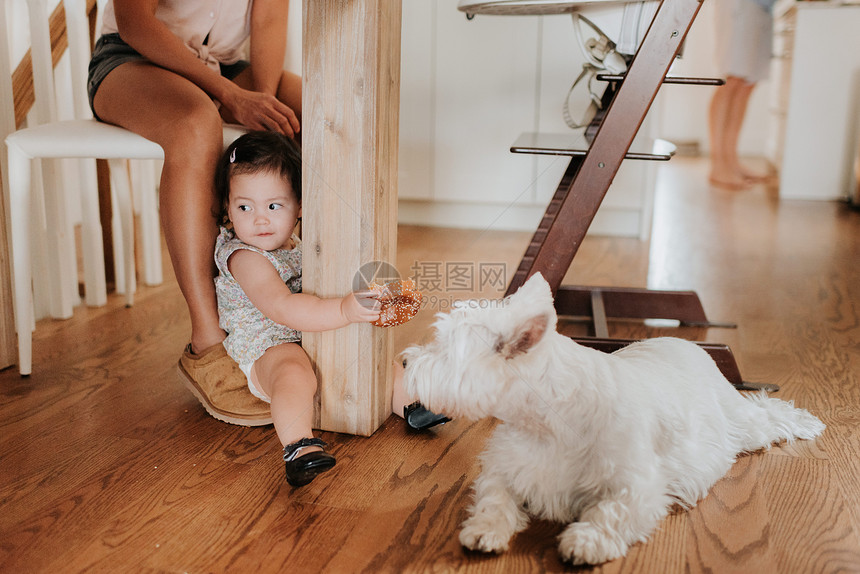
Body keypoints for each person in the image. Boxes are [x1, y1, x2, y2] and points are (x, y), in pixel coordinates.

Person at [87, 1, 302, 423]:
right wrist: (231, 96)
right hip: (131, 60)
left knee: (322, 108)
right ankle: (207, 342)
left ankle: (306, 305)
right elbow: (134, 22)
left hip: (223, 66)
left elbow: (270, 16)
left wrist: (261, 100)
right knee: (194, 122)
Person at [213, 132, 448, 486]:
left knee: (369, 354)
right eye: (245, 207)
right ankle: (298, 445)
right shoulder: (244, 256)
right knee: (295, 374)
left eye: (273, 206)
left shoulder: (298, 243)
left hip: (307, 327)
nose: (259, 220)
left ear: (299, 207)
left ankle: (410, 404)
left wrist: (370, 304)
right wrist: (343, 310)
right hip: (268, 344)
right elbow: (283, 308)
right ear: (229, 209)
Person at [708, 0, 776, 190]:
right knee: (733, 78)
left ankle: (731, 161)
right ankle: (718, 165)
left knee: (748, 83)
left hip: (763, 6)